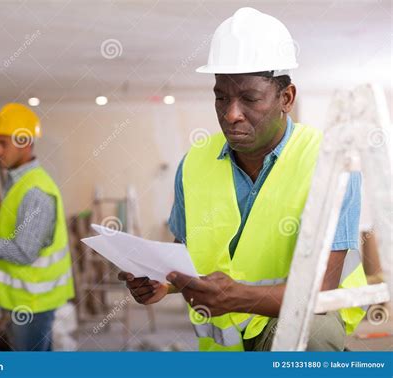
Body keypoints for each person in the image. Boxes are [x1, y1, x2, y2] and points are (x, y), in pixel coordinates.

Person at [118, 7, 367, 351]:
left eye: (249, 99)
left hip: (296, 319)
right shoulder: (193, 164)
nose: (231, 114)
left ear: (286, 98)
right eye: (221, 97)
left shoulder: (331, 161)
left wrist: (240, 298)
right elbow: (184, 253)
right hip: (226, 341)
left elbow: (320, 289)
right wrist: (164, 282)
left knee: (314, 334)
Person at [0, 103, 74, 351]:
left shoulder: (35, 191)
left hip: (33, 302)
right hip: (26, 299)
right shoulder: (19, 181)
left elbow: (23, 252)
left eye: (2, 143)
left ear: (25, 142)